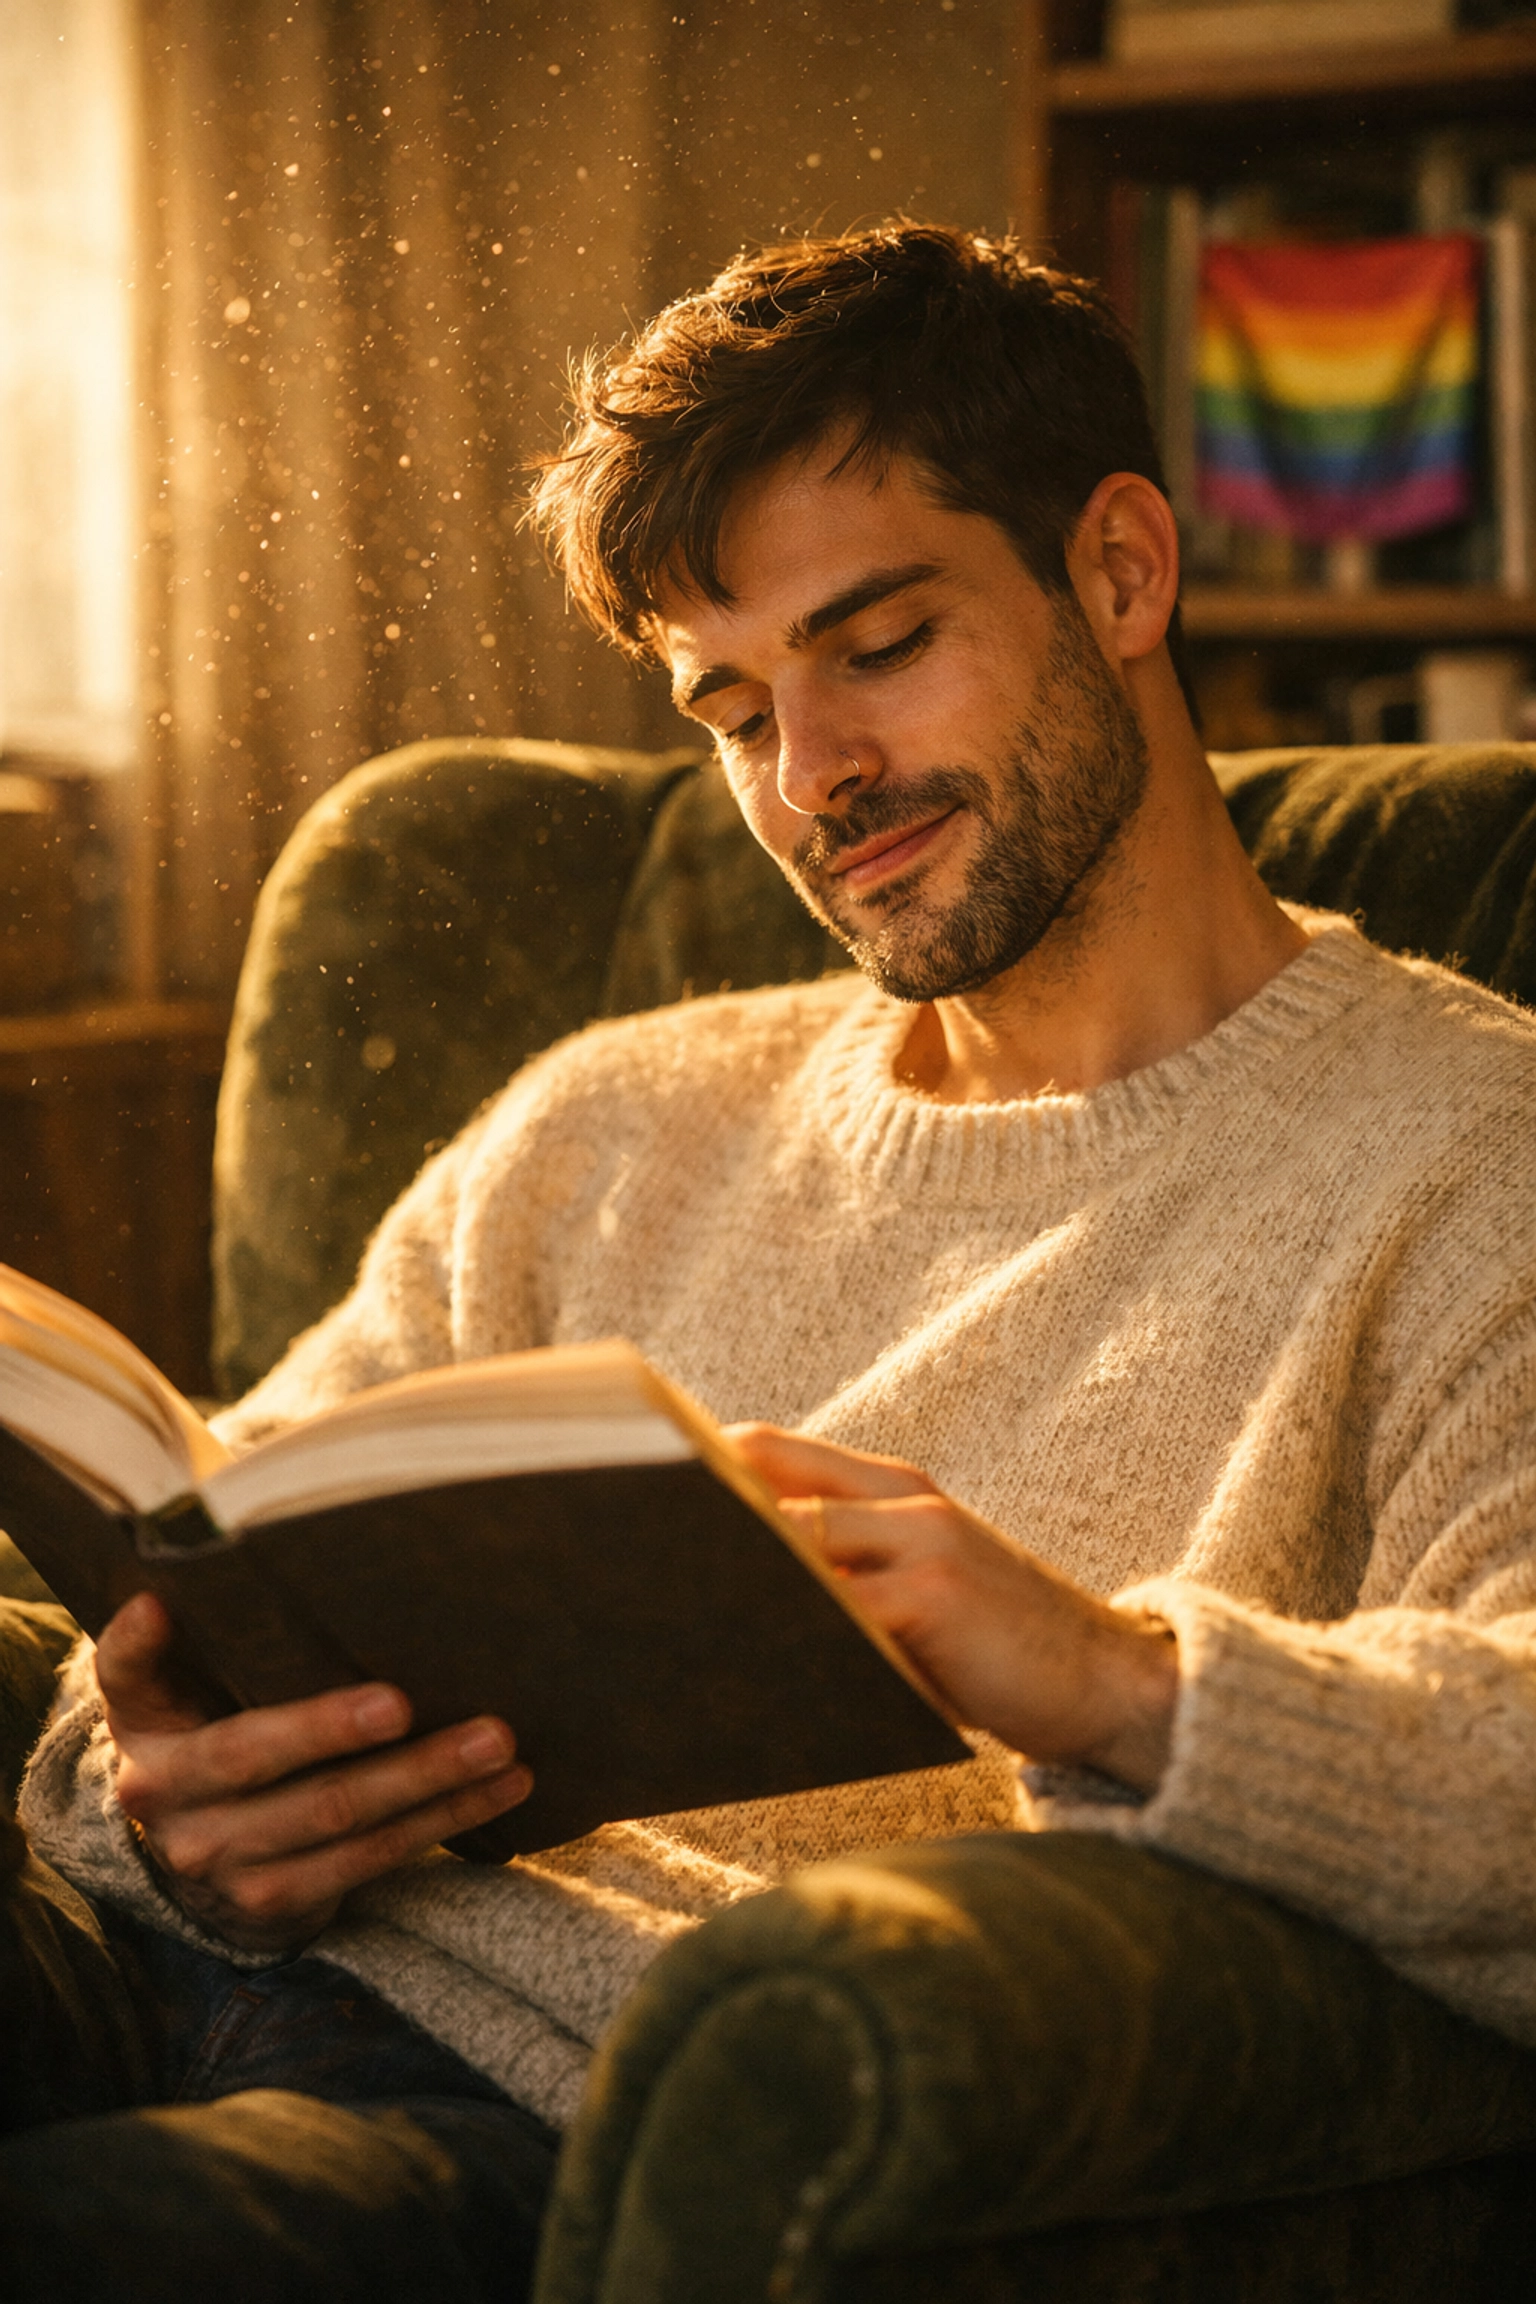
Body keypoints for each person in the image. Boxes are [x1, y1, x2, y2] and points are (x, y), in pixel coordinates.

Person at [6, 222, 1536, 2296]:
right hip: (176, 1978)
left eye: (880, 644)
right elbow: (202, 1566)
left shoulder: (1471, 1154)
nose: (813, 785)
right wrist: (161, 1790)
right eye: (732, 711)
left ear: (1119, 572)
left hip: (599, 2140)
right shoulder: (608, 1124)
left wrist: (1116, 1677)